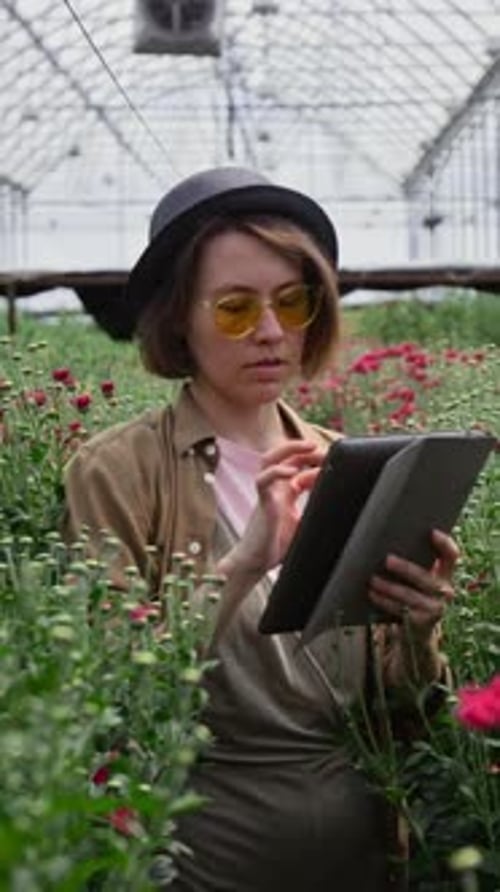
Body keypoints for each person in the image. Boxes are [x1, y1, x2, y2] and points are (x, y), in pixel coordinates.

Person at [63, 167, 458, 892]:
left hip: (365, 848)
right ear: (178, 317)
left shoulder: (352, 463)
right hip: (205, 852)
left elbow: (407, 709)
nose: (272, 332)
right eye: (237, 308)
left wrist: (418, 625)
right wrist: (243, 563)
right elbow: (112, 689)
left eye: (292, 302)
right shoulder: (116, 471)